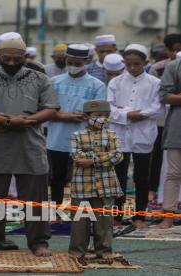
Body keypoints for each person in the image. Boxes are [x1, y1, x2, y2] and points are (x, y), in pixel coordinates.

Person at [0, 32, 59, 257]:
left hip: (30, 144)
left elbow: (51, 108)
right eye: (5, 58)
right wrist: (9, 121)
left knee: (35, 198)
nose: (10, 63)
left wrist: (28, 121)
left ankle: (38, 242)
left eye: (16, 59)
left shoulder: (40, 78)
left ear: (25, 55)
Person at [107, 44, 164, 228]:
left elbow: (158, 108)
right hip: (120, 134)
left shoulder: (154, 83)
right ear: (124, 62)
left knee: (142, 177)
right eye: (129, 64)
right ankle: (117, 215)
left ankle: (139, 216)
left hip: (143, 133)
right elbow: (108, 107)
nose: (132, 68)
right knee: (118, 176)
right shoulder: (115, 82)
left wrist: (140, 114)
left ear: (146, 63)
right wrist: (127, 115)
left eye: (137, 64)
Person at [47, 44, 106, 207]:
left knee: (83, 177)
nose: (73, 67)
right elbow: (46, 109)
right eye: (70, 62)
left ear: (86, 61)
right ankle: (57, 212)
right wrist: (64, 116)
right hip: (57, 136)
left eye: (78, 64)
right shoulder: (54, 82)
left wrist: (86, 117)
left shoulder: (97, 85)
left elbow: (100, 115)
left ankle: (79, 213)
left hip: (84, 139)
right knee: (56, 176)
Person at [68, 100, 123, 259]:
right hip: (81, 187)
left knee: (104, 222)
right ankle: (76, 252)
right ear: (87, 116)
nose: (103, 119)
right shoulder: (77, 136)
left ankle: (104, 251)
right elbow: (77, 156)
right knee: (79, 223)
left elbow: (118, 156)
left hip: (106, 187)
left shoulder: (112, 135)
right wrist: (105, 156)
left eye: (106, 115)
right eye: (98, 115)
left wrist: (92, 160)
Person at [157, 51, 181, 228]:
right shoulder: (175, 66)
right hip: (177, 126)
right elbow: (165, 96)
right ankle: (169, 216)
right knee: (174, 173)